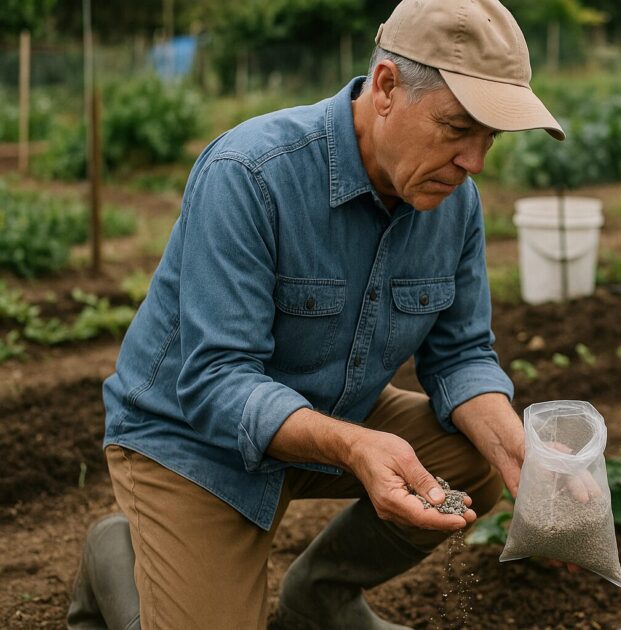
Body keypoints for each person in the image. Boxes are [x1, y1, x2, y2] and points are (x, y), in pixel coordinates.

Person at [67, 0, 564, 628]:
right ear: (386, 88)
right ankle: (113, 555)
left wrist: (518, 450)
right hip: (189, 439)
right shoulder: (250, 173)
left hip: (335, 412)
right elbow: (216, 379)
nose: (476, 162)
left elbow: (461, 353)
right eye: (457, 127)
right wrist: (354, 447)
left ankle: (319, 599)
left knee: (474, 461)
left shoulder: (452, 202)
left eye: (489, 138)